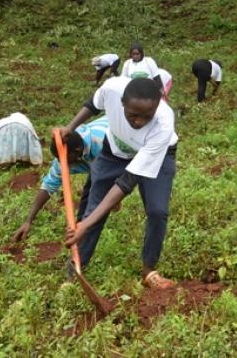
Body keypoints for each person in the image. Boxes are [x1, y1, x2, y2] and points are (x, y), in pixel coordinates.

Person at [62, 77, 178, 289]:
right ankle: (76, 268)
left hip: (159, 155)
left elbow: (127, 181)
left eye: (146, 117)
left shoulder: (163, 123)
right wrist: (71, 126)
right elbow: (93, 104)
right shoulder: (112, 89)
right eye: (133, 115)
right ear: (122, 102)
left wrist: (85, 226)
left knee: (157, 210)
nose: (139, 122)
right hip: (115, 151)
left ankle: (149, 270)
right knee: (95, 208)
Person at [11, 117, 109, 242]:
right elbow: (48, 186)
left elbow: (123, 164)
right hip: (97, 162)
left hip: (128, 141)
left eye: (63, 158)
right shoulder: (64, 157)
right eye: (57, 158)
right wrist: (28, 221)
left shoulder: (102, 141)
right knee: (91, 198)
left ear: (77, 152)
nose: (60, 162)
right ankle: (81, 239)